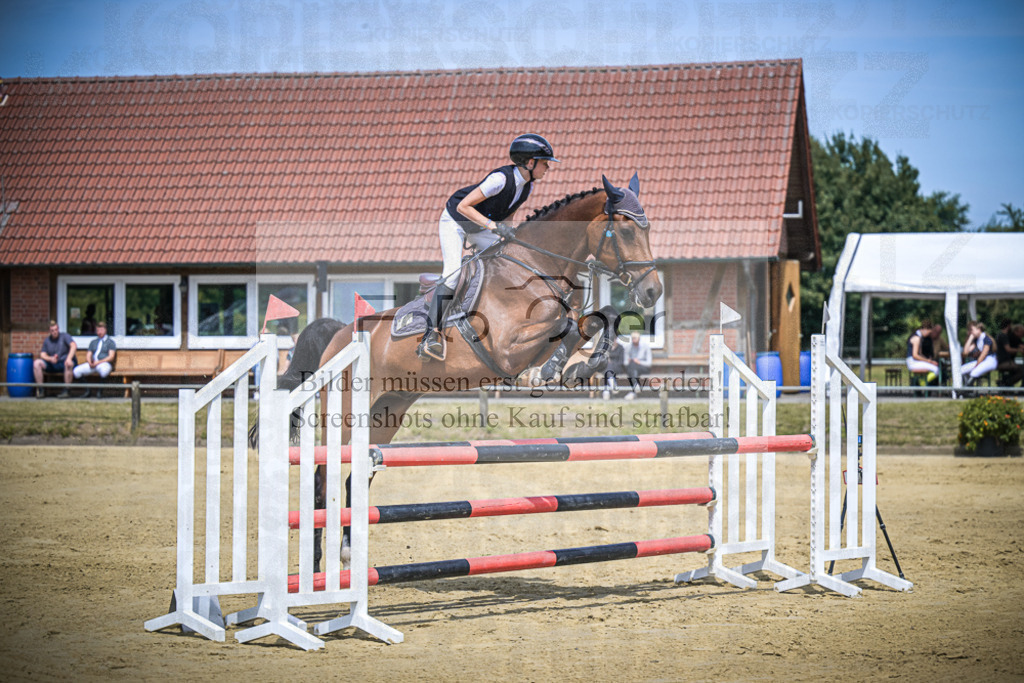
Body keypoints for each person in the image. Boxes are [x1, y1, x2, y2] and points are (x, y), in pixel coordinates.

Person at [418, 133, 559, 361]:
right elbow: (464, 207)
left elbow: (507, 215)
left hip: (481, 227)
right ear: (529, 162)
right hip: (456, 221)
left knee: (508, 259)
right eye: (544, 163)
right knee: (452, 275)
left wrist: (508, 233)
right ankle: (430, 334)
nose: (547, 168)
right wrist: (494, 227)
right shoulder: (500, 179)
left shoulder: (527, 187)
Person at [32, 320, 77, 398]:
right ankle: (41, 390)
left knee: (69, 364)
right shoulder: (47, 340)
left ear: (58, 329)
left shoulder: (65, 336)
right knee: (36, 363)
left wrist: (69, 358)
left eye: (56, 330)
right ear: (50, 331)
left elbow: (73, 346)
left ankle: (67, 390)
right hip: (53, 363)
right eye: (52, 330)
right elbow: (42, 354)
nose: (55, 332)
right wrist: (50, 359)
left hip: (64, 362)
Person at [73, 320, 116, 396]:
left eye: (101, 330)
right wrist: (90, 362)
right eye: (98, 330)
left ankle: (100, 392)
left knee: (104, 371)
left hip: (104, 363)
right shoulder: (93, 342)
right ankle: (87, 390)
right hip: (93, 363)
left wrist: (99, 362)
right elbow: (89, 354)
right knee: (76, 371)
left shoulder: (110, 342)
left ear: (105, 330)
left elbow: (111, 357)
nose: (99, 332)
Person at [961, 320, 996, 386]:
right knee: (961, 370)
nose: (970, 332)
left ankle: (966, 390)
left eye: (971, 330)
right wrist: (970, 338)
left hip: (990, 360)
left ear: (979, 329)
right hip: (982, 361)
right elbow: (965, 352)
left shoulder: (986, 338)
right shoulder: (976, 340)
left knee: (974, 372)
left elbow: (983, 354)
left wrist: (976, 366)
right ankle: (967, 389)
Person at [905, 320, 939, 385]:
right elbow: (915, 355)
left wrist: (929, 361)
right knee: (936, 370)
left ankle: (922, 382)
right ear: (925, 329)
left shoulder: (919, 337)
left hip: (914, 361)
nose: (928, 335)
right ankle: (922, 383)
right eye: (929, 333)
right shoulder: (916, 338)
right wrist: (929, 361)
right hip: (912, 362)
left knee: (934, 367)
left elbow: (920, 354)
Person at [621, 331, 652, 401]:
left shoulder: (645, 347)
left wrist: (639, 362)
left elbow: (649, 363)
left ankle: (635, 387)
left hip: (643, 367)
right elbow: (625, 362)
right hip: (632, 368)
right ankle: (635, 390)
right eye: (632, 338)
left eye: (635, 338)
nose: (634, 340)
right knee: (632, 366)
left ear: (639, 339)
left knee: (632, 366)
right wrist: (628, 361)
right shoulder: (628, 347)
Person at [995, 320, 1024, 387]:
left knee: (1020, 369)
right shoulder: (1006, 336)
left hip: (1005, 361)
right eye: (1022, 333)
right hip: (1003, 362)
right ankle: (1006, 383)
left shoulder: (1003, 335)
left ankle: (1006, 383)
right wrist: (1019, 350)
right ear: (1008, 326)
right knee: (1022, 370)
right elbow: (1008, 349)